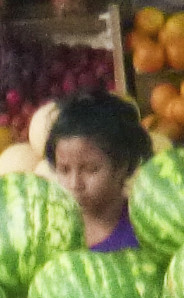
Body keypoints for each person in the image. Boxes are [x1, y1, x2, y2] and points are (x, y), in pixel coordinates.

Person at [44, 90, 153, 251]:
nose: (75, 184)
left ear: (122, 166)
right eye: (64, 170)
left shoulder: (145, 232)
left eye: (90, 169)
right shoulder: (49, 232)